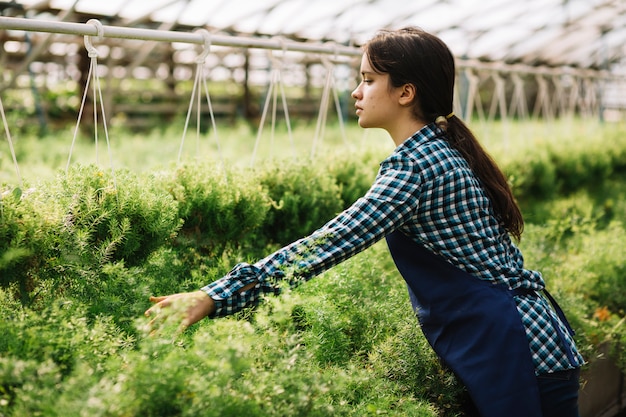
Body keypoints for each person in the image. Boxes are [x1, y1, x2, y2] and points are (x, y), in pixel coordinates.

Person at [145, 27, 584, 417]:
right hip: (527, 339)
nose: (356, 92)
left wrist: (214, 297)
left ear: (405, 92)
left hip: (519, 349)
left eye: (368, 80)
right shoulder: (441, 147)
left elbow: (329, 244)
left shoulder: (415, 167)